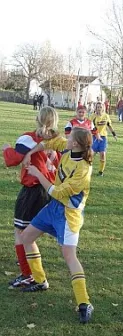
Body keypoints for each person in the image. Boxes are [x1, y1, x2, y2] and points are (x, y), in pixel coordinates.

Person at [20, 127, 94, 324]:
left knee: (69, 255)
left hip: (68, 215)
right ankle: (40, 280)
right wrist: (30, 152)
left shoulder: (83, 170)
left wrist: (37, 172)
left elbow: (57, 192)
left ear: (76, 143)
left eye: (70, 137)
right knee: (26, 237)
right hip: (52, 208)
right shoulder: (68, 149)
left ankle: (84, 303)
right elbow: (50, 142)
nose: (66, 138)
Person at [2, 106, 59, 288]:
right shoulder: (58, 140)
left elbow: (13, 160)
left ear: (37, 118)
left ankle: (30, 274)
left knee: (22, 234)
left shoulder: (29, 138)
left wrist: (6, 149)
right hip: (48, 190)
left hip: (32, 191)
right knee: (29, 233)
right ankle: (33, 274)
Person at [92, 101, 117, 176]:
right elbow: (90, 127)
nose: (99, 108)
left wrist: (114, 135)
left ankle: (101, 172)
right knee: (91, 154)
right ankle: (88, 169)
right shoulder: (93, 116)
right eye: (97, 107)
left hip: (103, 138)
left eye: (100, 107)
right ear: (95, 108)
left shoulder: (106, 116)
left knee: (102, 154)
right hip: (94, 137)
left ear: (103, 108)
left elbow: (109, 126)